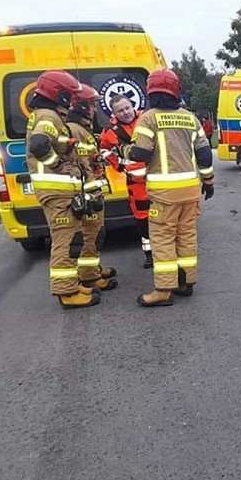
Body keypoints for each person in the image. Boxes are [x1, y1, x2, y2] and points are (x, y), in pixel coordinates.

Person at [121, 69, 214, 307]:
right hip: (190, 192)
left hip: (164, 194)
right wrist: (209, 182)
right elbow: (204, 154)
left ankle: (163, 290)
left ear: (151, 92)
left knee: (162, 239)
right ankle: (186, 282)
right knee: (186, 236)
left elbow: (140, 153)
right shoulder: (190, 118)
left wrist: (124, 151)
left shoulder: (149, 118)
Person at [24, 70, 100, 309]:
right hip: (56, 190)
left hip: (59, 191)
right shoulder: (48, 116)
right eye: (70, 94)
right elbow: (39, 143)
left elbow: (47, 142)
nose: (72, 100)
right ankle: (67, 293)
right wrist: (57, 164)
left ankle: (72, 286)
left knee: (71, 237)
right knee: (65, 240)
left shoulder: (45, 115)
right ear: (60, 94)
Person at [65, 84, 118, 291]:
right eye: (91, 105)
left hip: (90, 192)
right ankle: (89, 276)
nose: (94, 110)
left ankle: (92, 269)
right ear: (79, 107)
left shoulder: (80, 129)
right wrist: (90, 195)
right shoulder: (77, 130)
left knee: (95, 233)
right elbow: (83, 166)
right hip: (89, 194)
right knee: (91, 234)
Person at [99, 94, 153, 269]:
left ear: (133, 106)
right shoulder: (110, 132)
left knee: (165, 216)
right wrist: (119, 166)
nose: (126, 112)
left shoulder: (147, 118)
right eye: (120, 110)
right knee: (143, 221)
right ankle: (150, 254)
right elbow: (104, 150)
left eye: (127, 108)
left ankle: (168, 250)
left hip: (158, 178)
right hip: (136, 184)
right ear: (114, 114)